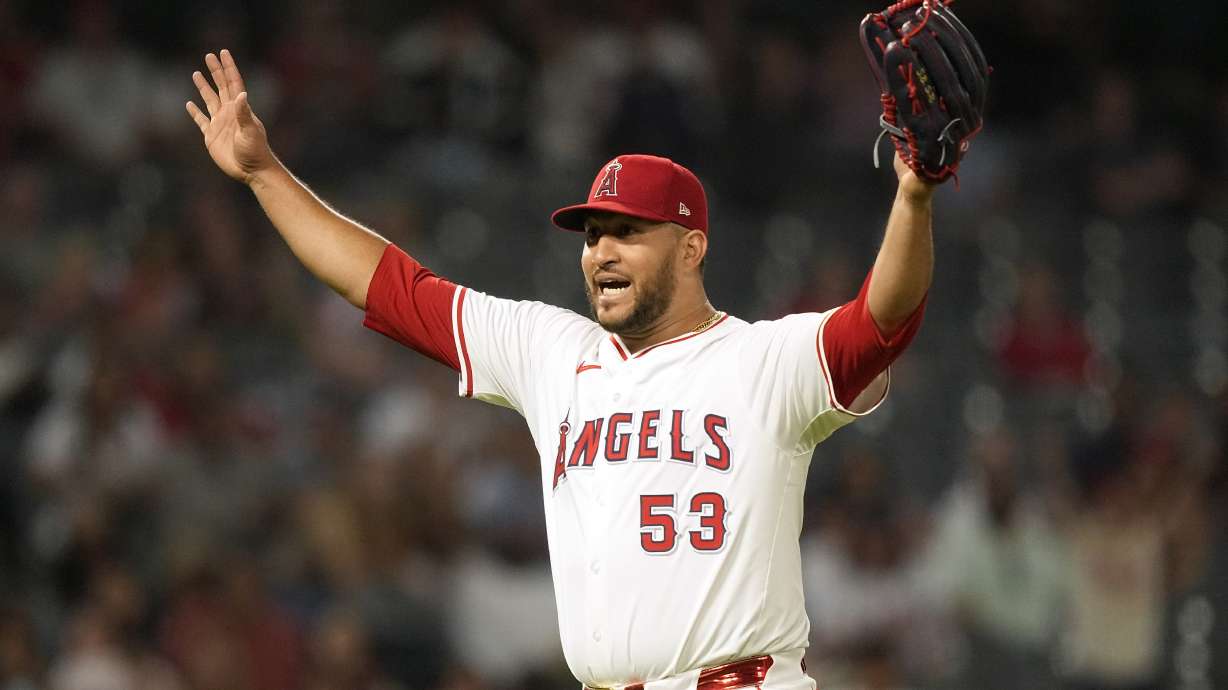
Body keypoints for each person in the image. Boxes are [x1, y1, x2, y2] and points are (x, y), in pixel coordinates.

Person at [186, 49, 934, 690]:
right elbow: (387, 286)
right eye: (592, 235)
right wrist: (264, 175)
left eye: (627, 233)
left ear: (691, 248)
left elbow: (882, 322)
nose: (600, 251)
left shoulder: (762, 359)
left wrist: (913, 194)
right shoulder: (553, 352)